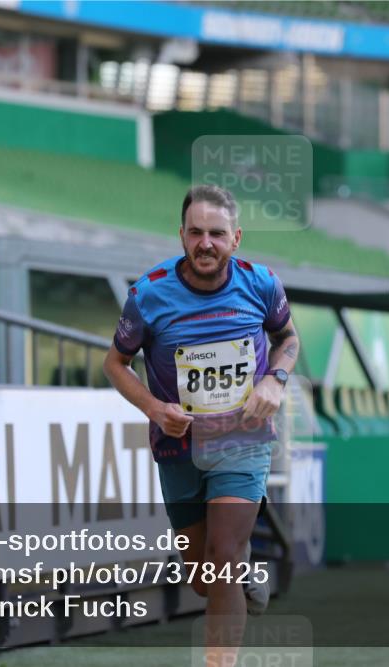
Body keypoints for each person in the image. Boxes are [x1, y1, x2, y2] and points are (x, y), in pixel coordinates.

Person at [102, 184, 299, 662]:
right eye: (195, 233)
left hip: (242, 438)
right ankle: (248, 572)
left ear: (236, 238)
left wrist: (274, 381)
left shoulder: (261, 284)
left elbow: (287, 339)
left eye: (216, 233)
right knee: (204, 577)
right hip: (179, 447)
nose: (205, 243)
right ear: (182, 235)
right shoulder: (148, 294)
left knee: (224, 559)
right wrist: (153, 408)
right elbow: (114, 364)